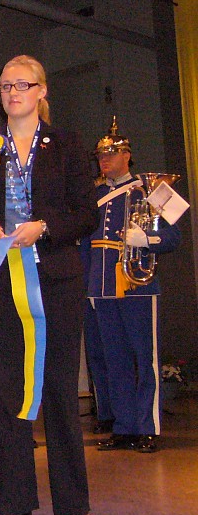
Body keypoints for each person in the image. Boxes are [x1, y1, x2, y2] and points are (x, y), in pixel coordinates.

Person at [0, 54, 102, 515]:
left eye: (22, 85)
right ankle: (14, 502)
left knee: (59, 388)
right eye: (5, 86)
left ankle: (74, 504)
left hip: (56, 280)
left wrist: (45, 227)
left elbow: (87, 213)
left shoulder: (67, 145)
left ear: (41, 91)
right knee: (7, 389)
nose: (12, 93)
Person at [84, 119, 180, 453]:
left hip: (139, 283)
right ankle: (124, 427)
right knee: (115, 360)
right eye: (100, 155)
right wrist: (88, 286)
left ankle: (148, 427)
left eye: (111, 154)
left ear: (127, 155)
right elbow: (86, 245)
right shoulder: (95, 195)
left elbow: (174, 236)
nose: (104, 160)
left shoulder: (152, 189)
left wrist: (148, 240)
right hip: (102, 285)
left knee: (145, 359)